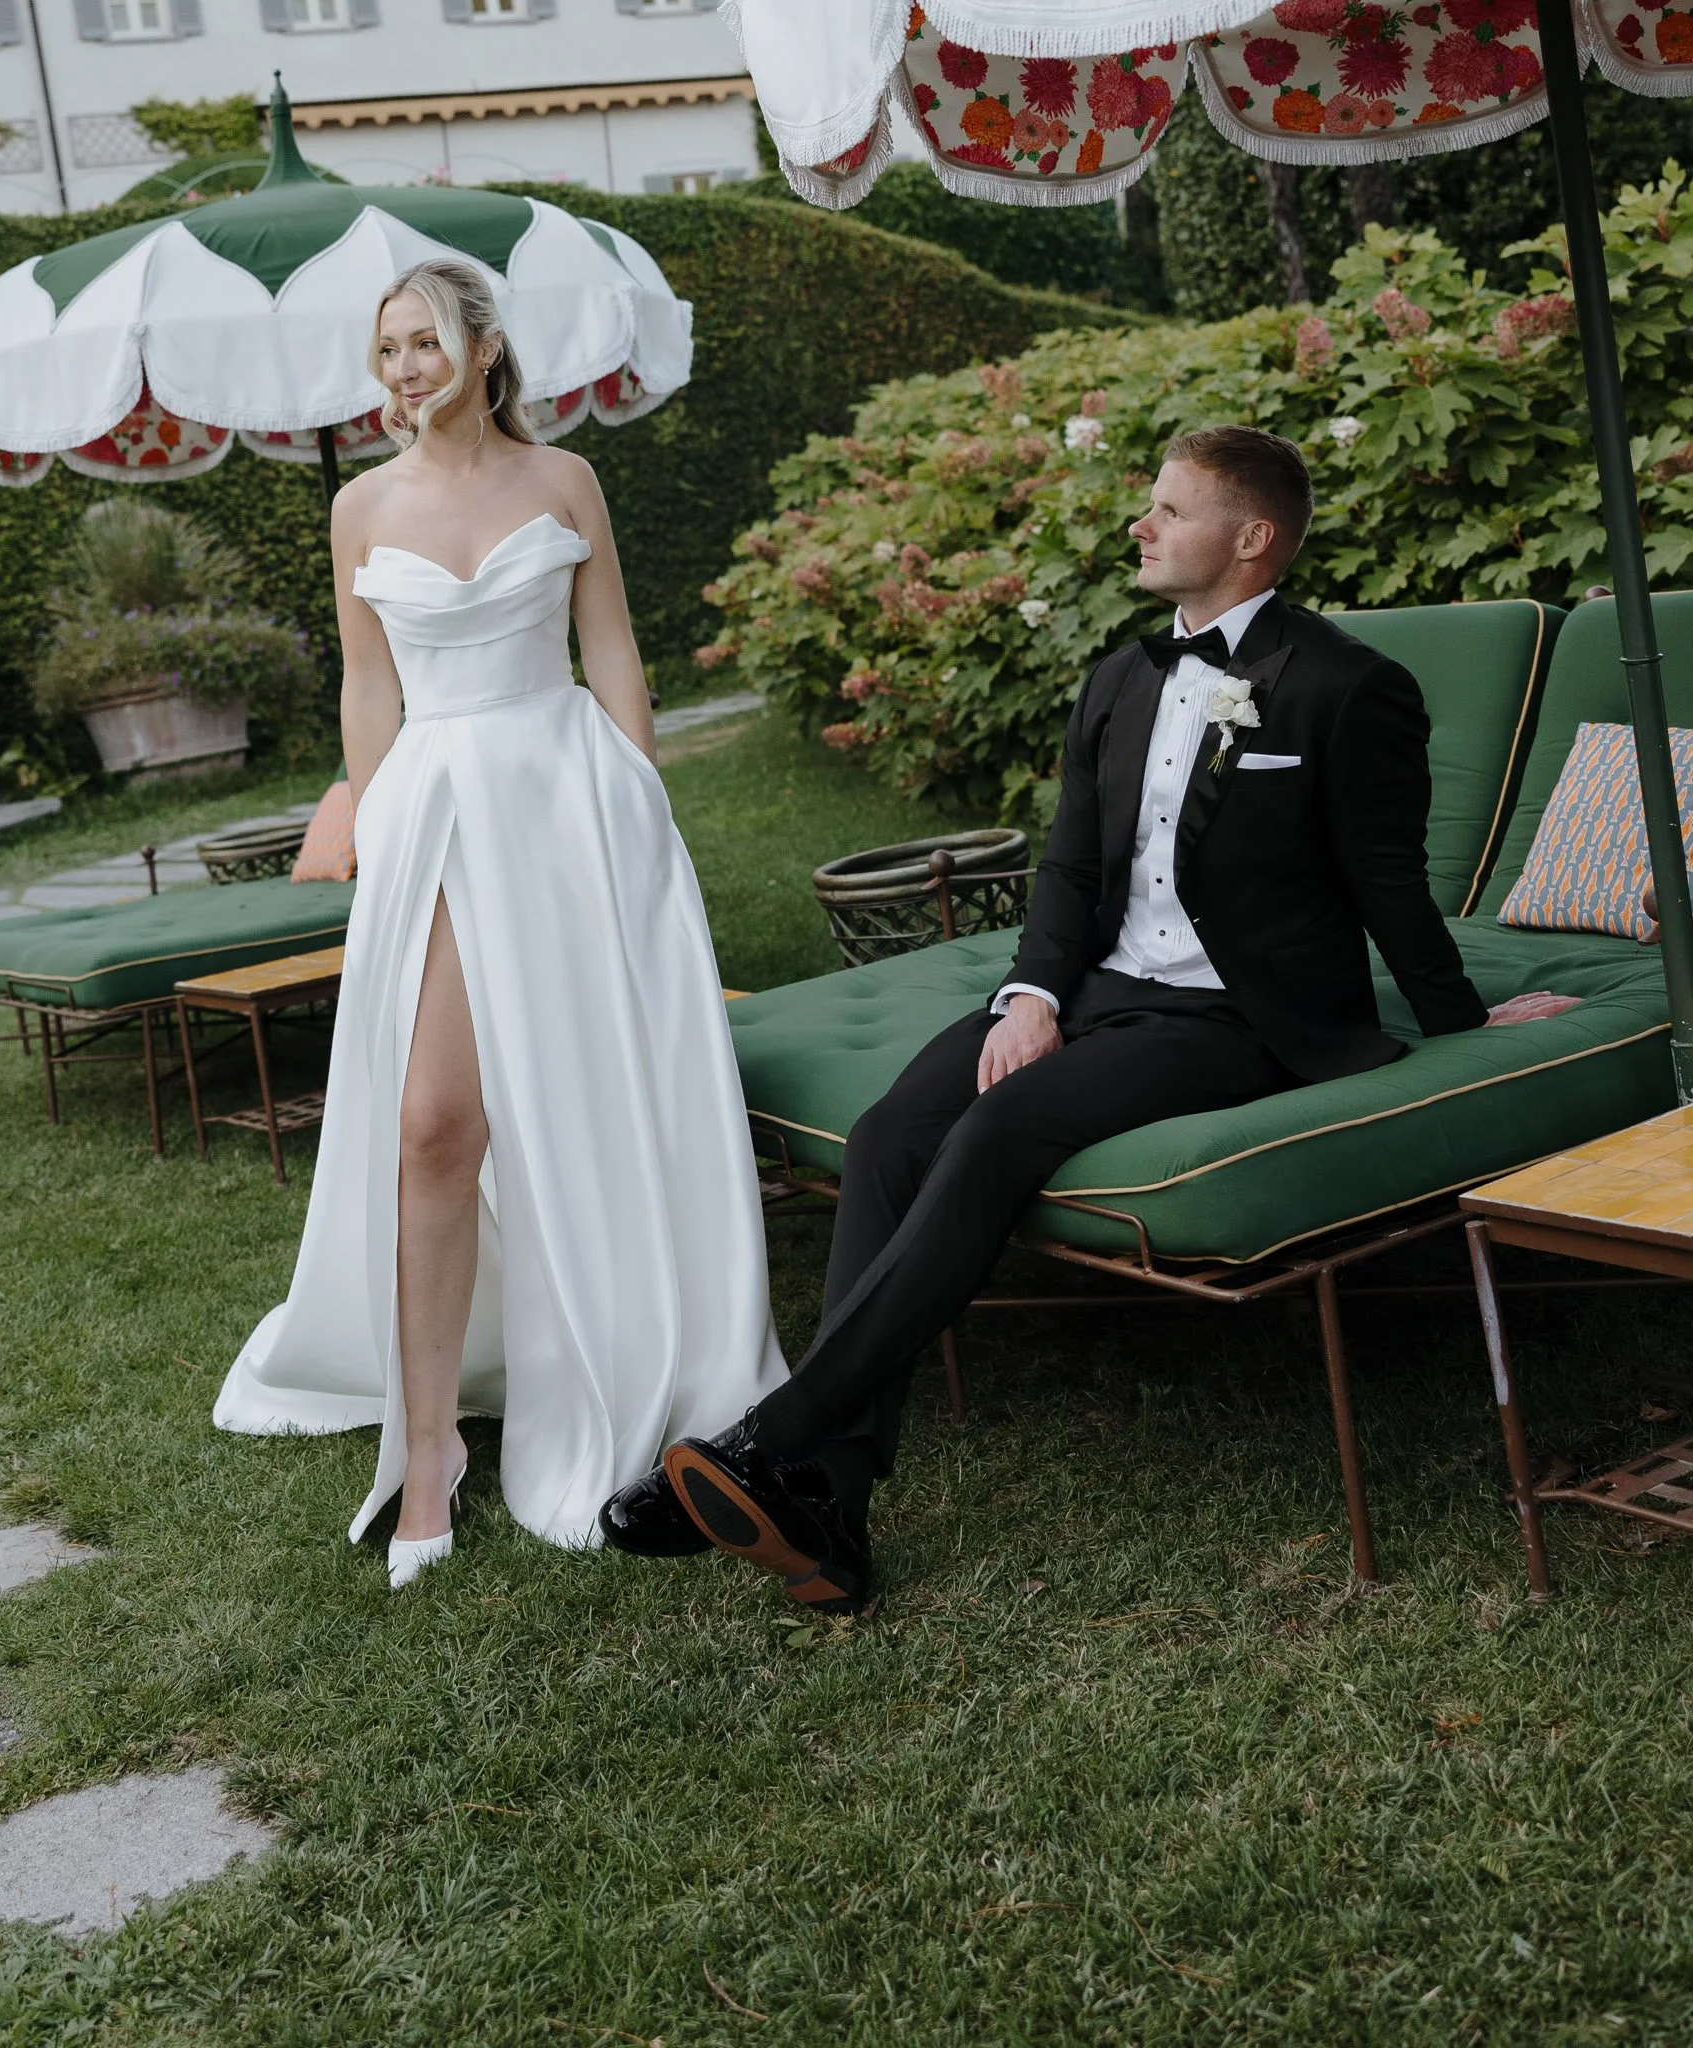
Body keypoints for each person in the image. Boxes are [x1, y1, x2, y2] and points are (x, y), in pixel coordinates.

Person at [602, 423, 1577, 1614]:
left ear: (1251, 539)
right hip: (1098, 991)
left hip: (1237, 1021)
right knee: (892, 1132)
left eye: (1169, 511)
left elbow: (1387, 883)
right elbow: (1067, 873)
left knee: (998, 1127)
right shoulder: (1120, 677)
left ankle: (774, 1434)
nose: (1139, 525)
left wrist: (1464, 1020)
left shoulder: (1345, 686)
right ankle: (832, 1504)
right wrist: (1027, 997)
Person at [215, 259, 783, 1580]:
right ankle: (428, 1446)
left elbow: (615, 646)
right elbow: (369, 686)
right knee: (431, 1124)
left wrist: (640, 800)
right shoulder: (360, 507)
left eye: (425, 342)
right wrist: (365, 820)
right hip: (434, 812)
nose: (405, 368)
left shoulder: (564, 481)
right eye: (387, 349)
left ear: (480, 349)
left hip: (570, 805)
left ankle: (627, 1344)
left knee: (592, 1098)